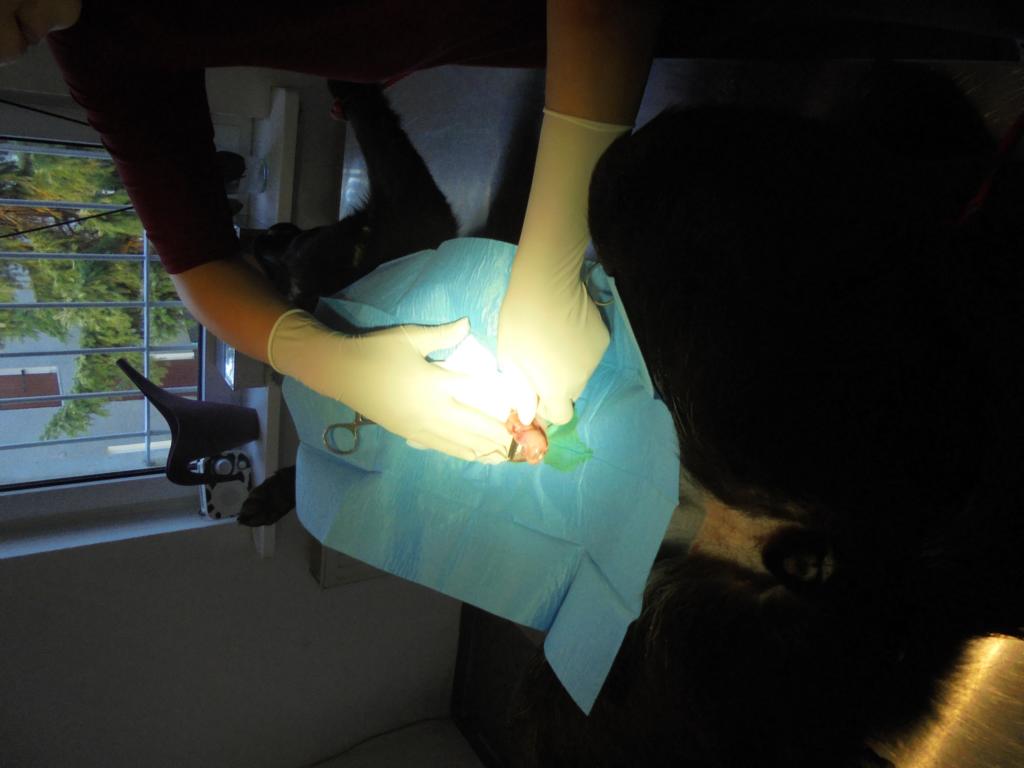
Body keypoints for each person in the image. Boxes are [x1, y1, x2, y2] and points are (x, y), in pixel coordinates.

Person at [0, 0, 661, 463]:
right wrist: (328, 363)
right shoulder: (95, 41)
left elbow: (601, 15)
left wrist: (551, 260)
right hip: (542, 46)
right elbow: (196, 266)